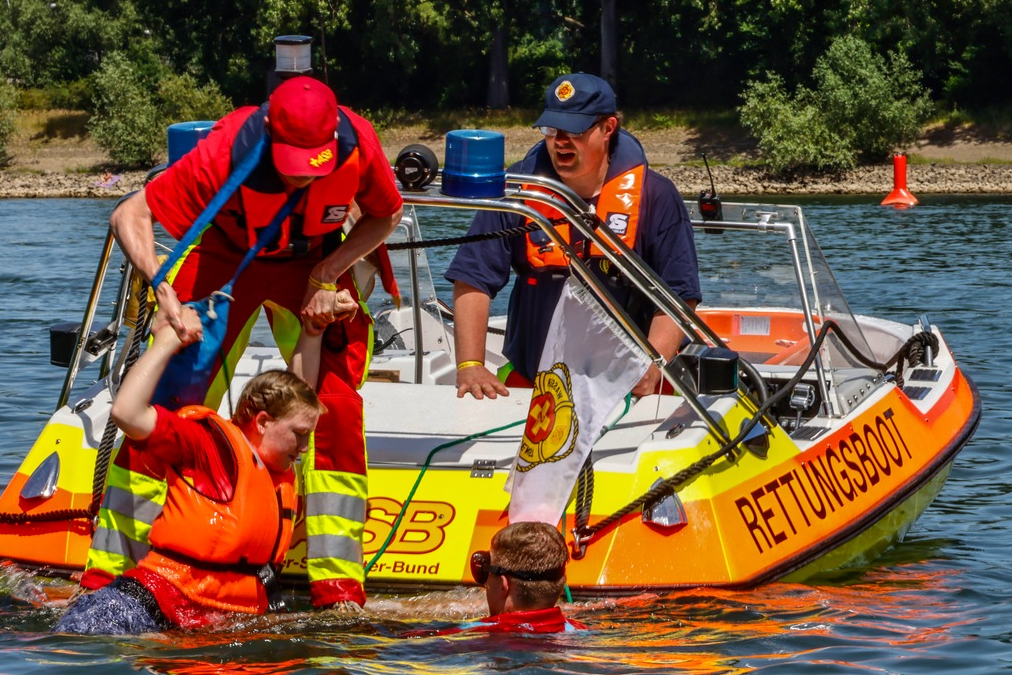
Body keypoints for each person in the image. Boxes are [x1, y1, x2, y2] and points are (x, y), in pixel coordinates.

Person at [84, 74, 403, 611]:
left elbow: (386, 213)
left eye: (313, 170)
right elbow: (129, 214)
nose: (302, 181)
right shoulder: (225, 149)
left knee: (337, 409)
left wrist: (329, 273)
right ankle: (110, 573)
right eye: (291, 168)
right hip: (226, 260)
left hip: (314, 261)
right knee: (169, 405)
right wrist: (164, 292)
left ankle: (339, 591)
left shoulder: (358, 141)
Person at [56, 307, 322, 634]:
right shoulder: (208, 446)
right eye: (300, 435)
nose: (305, 447)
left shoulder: (276, 474)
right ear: (264, 422)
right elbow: (126, 413)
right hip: (144, 607)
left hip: (209, 621)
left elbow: (302, 395)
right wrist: (166, 341)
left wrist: (312, 333)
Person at [445, 73, 701, 400]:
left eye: (574, 130)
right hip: (535, 378)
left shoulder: (657, 195)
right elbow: (472, 277)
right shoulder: (517, 190)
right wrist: (470, 364)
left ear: (608, 128)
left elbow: (679, 293)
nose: (560, 140)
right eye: (551, 130)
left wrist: (653, 366)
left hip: (627, 385)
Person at [427, 522, 585, 634]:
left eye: (486, 573)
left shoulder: (464, 635)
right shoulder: (581, 631)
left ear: (504, 585)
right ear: (561, 583)